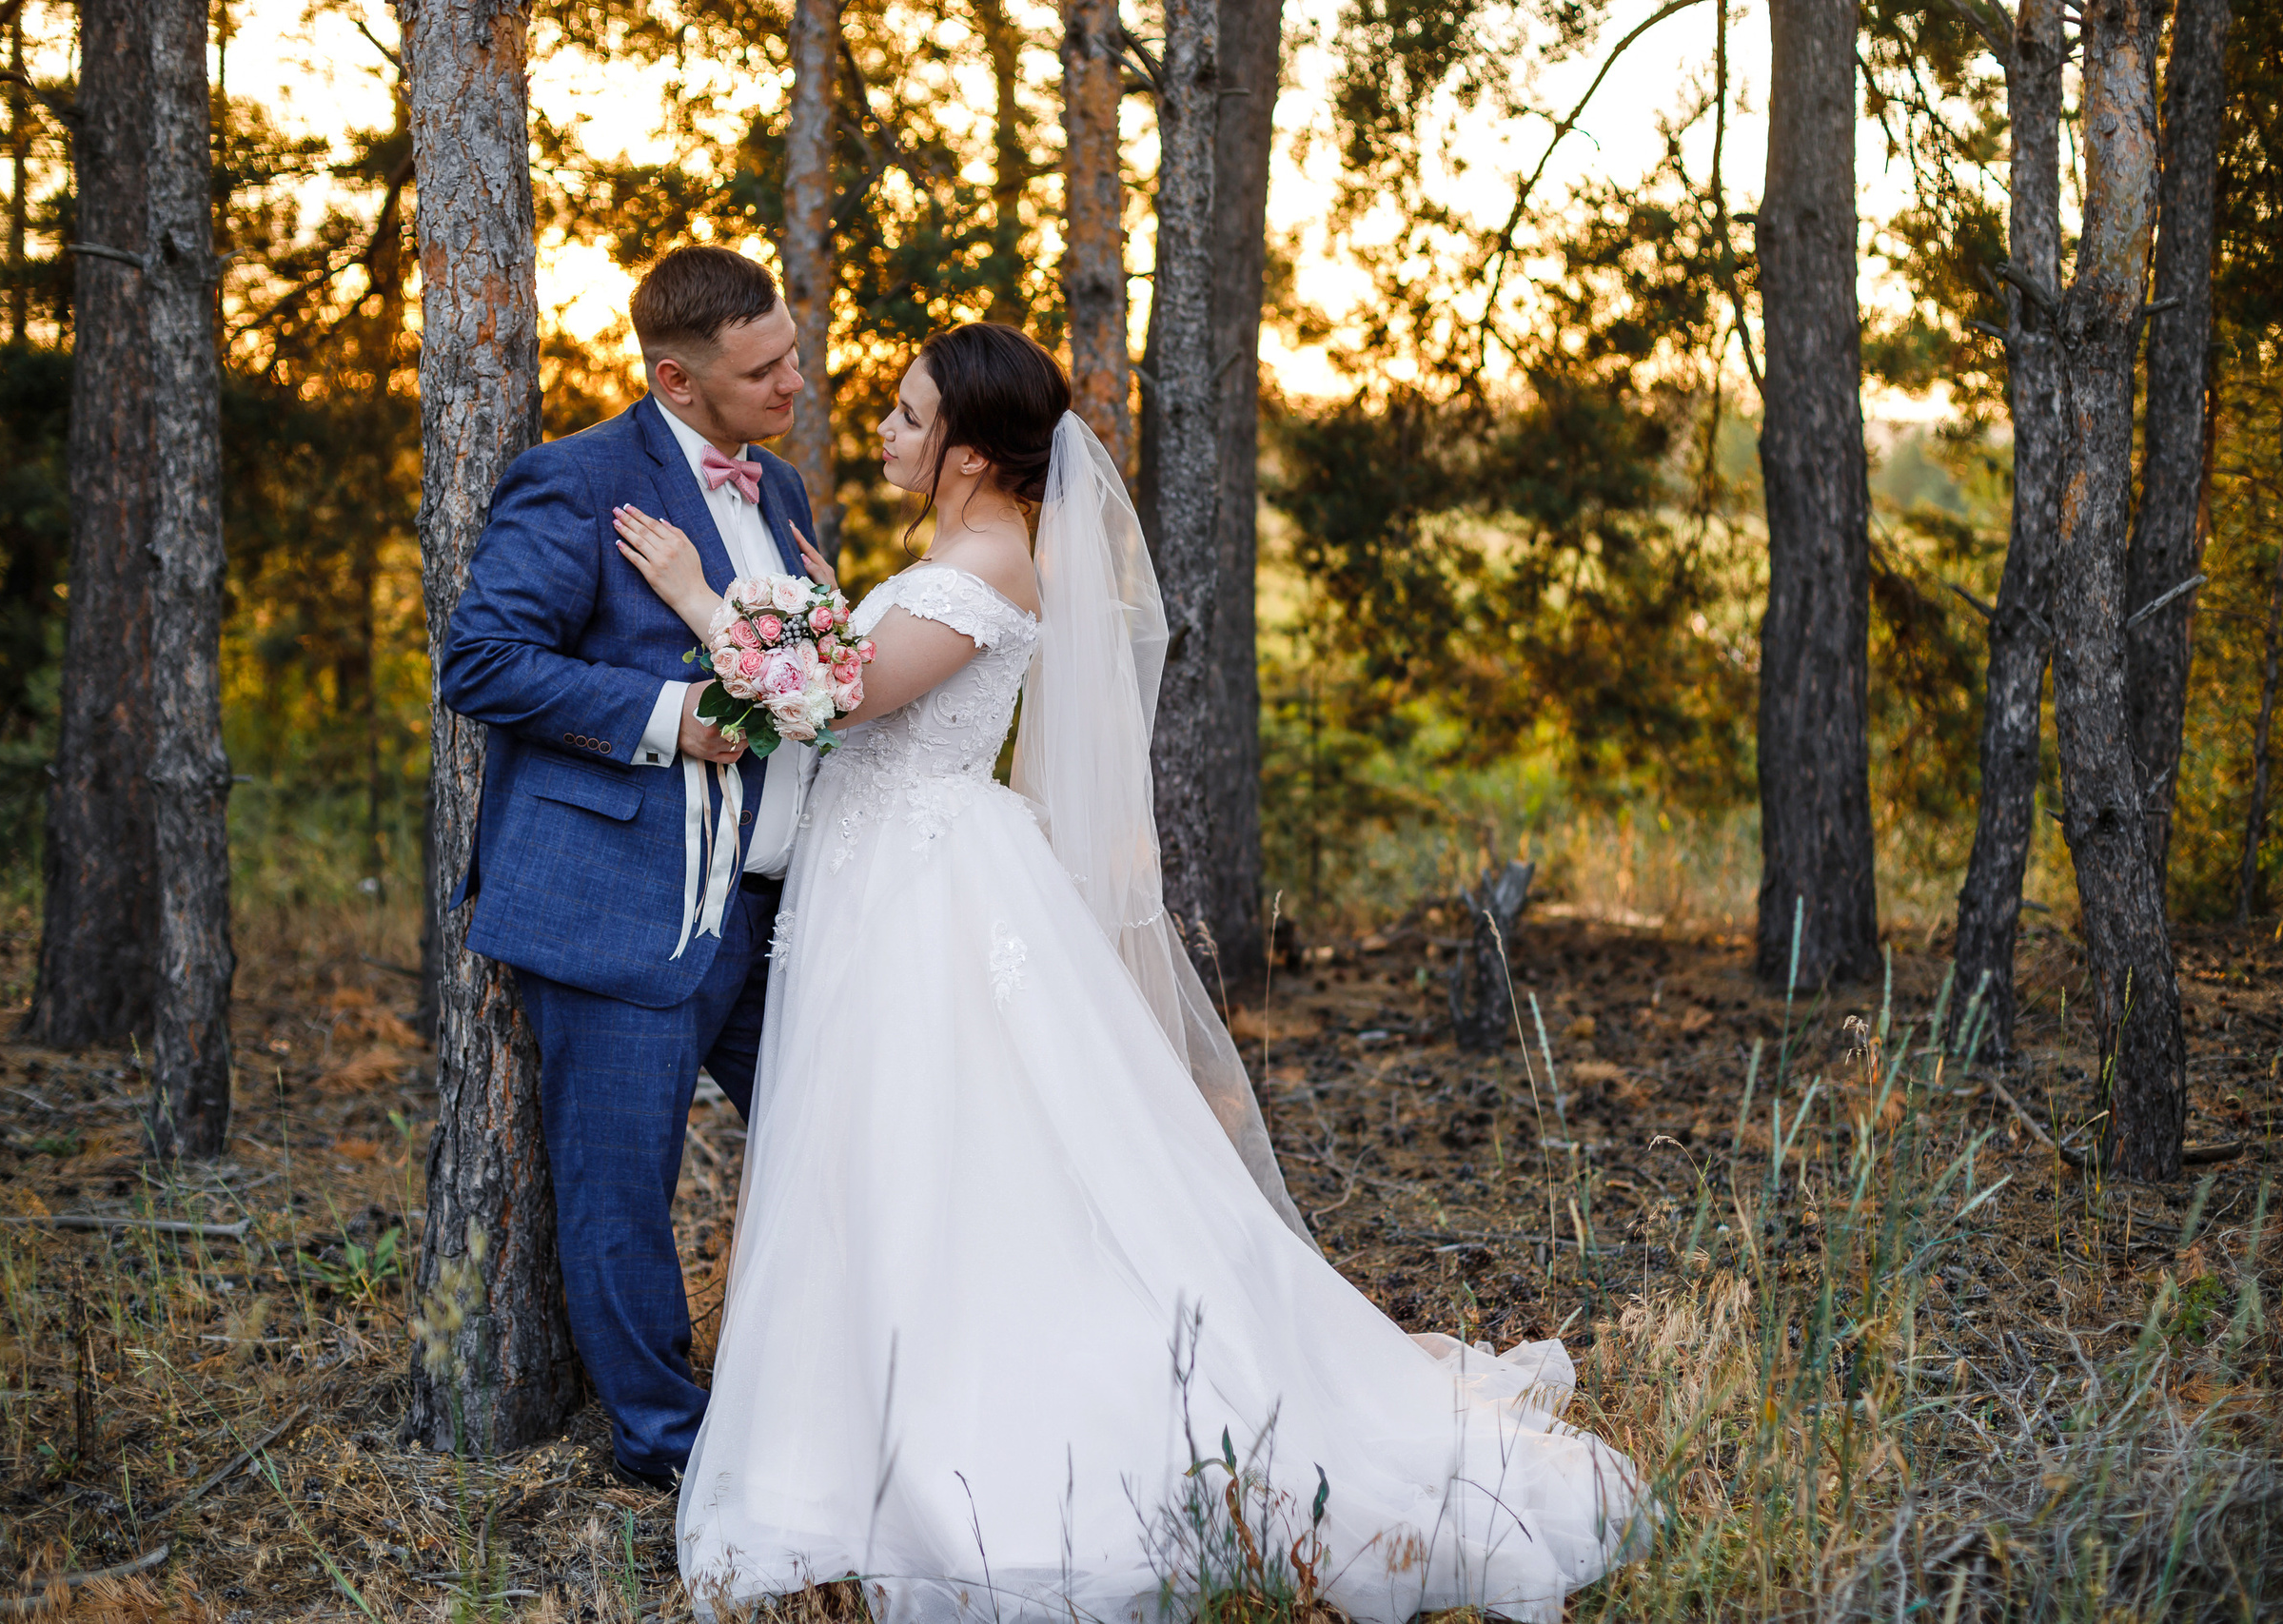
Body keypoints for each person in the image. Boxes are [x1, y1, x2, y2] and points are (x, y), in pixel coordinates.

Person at [608, 323, 1647, 1623]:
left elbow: (842, 703)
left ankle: (970, 1424)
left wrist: (703, 600)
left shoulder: (983, 565)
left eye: (907, 413)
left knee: (954, 1152)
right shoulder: (960, 552)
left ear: (972, 455)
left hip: (929, 891)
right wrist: (825, 599)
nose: (879, 428)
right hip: (889, 877)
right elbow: (862, 670)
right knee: (895, 1153)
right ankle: (867, 1396)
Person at [437, 245, 817, 1492]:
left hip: (773, 915)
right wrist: (667, 715)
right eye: (765, 370)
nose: (794, 384)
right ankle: (669, 1451)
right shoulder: (580, 483)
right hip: (620, 910)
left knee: (841, 1145)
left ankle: (827, 1394)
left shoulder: (785, 495)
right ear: (678, 378)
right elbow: (481, 660)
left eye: (794, 354)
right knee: (617, 1200)